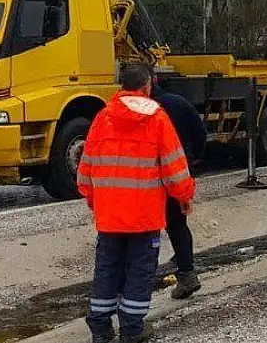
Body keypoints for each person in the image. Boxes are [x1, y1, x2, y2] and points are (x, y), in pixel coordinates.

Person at [77, 64, 196, 343]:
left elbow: (86, 170)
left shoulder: (102, 117)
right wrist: (184, 196)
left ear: (121, 87)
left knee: (107, 267)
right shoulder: (157, 118)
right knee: (139, 270)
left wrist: (94, 199)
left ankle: (100, 327)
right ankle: (132, 328)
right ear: (147, 87)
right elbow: (175, 167)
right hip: (144, 216)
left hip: (109, 216)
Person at [150, 75, 207, 300]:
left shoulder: (141, 111)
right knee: (177, 225)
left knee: (147, 231)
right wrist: (193, 161)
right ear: (154, 79)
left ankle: (138, 285)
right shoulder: (178, 102)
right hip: (178, 176)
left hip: (147, 181)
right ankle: (186, 274)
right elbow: (200, 133)